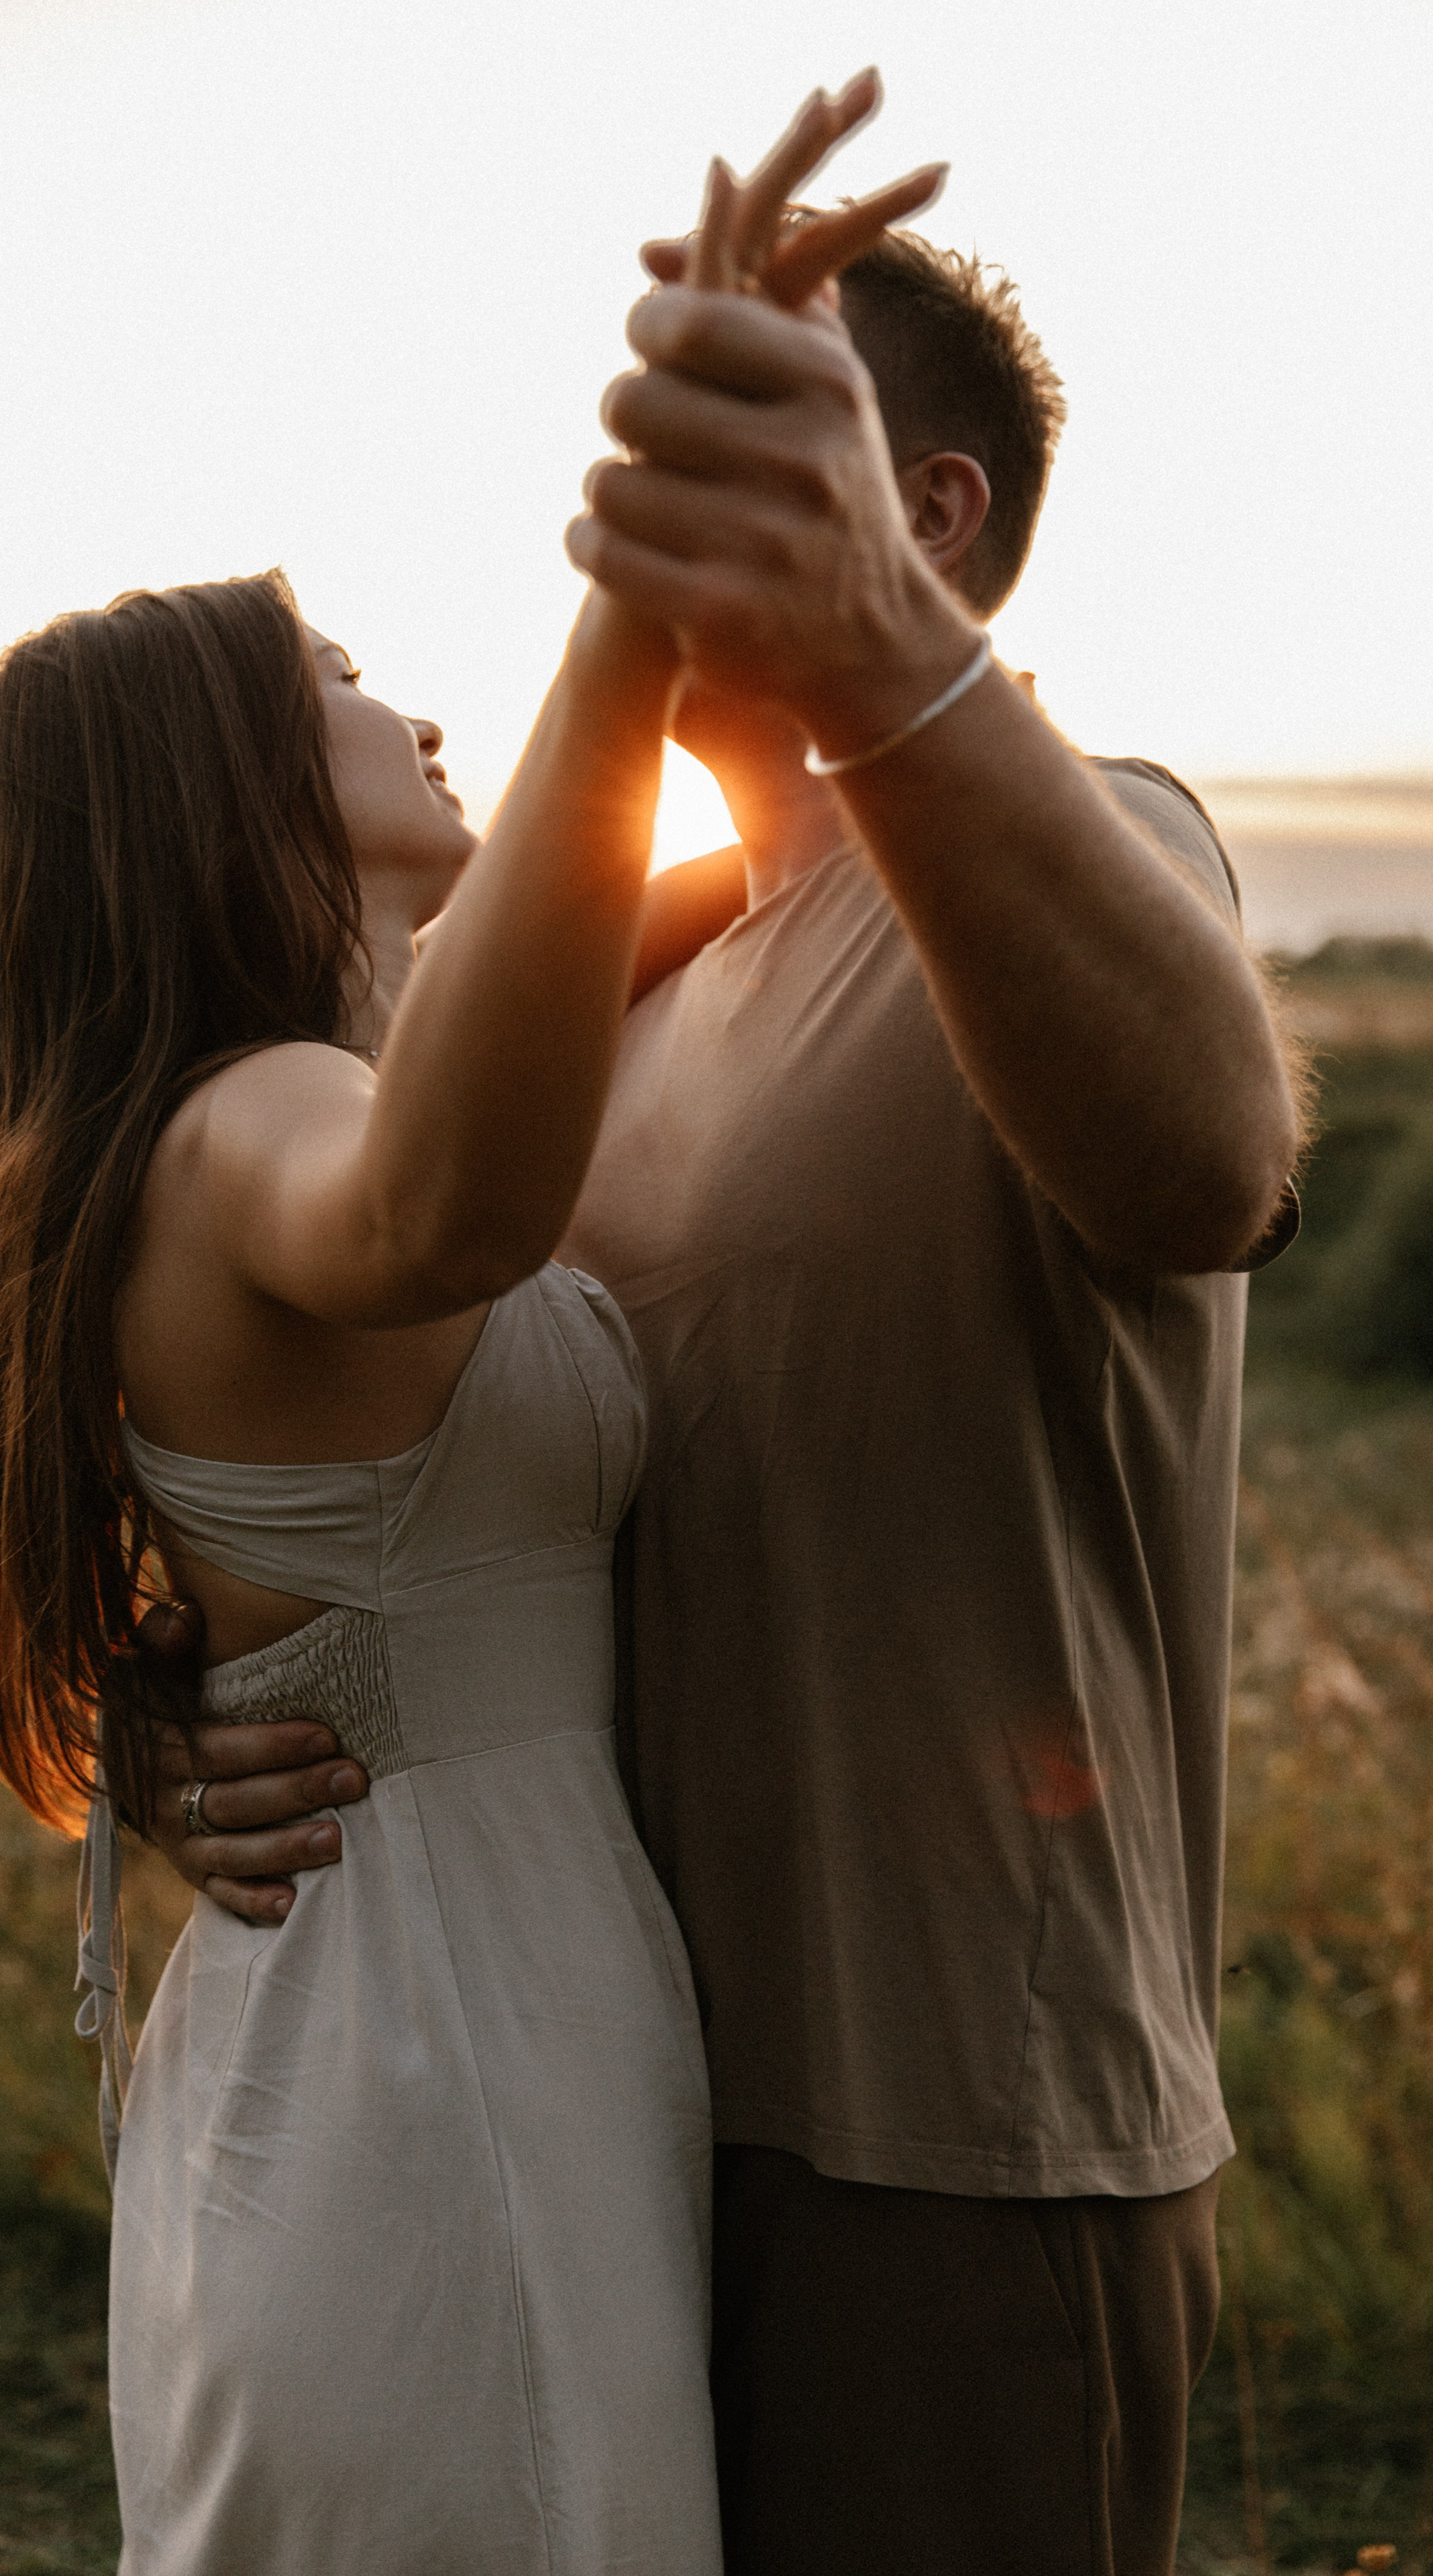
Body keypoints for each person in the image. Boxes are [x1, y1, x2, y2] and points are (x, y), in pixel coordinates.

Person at [147, 189, 1304, 2575]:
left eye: (750, 445)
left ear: (930, 513)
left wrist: (880, 655)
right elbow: (366, 1419)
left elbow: (1208, 1163)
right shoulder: (635, 1003)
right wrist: (191, 1693)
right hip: (602, 2097)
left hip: (951, 2136)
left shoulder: (1090, 859)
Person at [1, 80, 941, 2575]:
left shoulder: (266, 1089)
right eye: (329, 671)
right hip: (433, 2082)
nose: (403, 702)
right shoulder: (257, 1126)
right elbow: (446, 1197)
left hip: (450, 2022)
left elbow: (733, 885)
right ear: (215, 795)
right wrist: (635, 581)